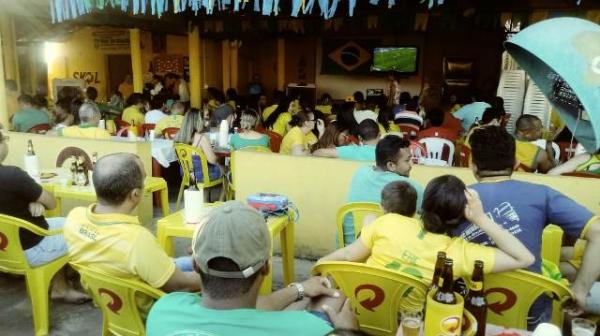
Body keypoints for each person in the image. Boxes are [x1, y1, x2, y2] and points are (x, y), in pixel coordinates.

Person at [452, 126, 600, 328]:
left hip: (463, 311)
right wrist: (581, 290)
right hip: (530, 312)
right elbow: (598, 232)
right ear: (515, 163)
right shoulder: (542, 194)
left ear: (473, 165)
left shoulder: (452, 197)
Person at [320, 177, 534, 311]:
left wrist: (318, 266)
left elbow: (348, 255)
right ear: (460, 217)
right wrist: (481, 218)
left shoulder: (387, 221)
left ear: (423, 204)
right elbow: (524, 258)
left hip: (358, 312)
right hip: (405, 325)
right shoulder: (458, 254)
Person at [146, 201, 358, 336]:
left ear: (195, 266)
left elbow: (240, 313)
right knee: (335, 295)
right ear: (266, 267)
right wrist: (348, 331)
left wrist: (298, 290)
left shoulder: (163, 310)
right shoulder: (315, 330)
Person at [64, 153, 202, 314]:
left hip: (112, 304)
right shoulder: (137, 240)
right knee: (216, 279)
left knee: (185, 262)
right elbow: (178, 284)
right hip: (148, 313)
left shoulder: (74, 217)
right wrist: (219, 279)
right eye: (144, 178)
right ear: (135, 194)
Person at [0, 128, 86, 301]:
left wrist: (32, 200)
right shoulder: (13, 176)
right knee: (84, 230)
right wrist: (36, 199)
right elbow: (52, 202)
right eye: (4, 139)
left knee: (67, 222)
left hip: (5, 248)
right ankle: (85, 282)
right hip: (32, 249)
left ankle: (61, 284)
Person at [341, 135, 424, 244]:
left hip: (346, 248)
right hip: (385, 254)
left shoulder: (360, 172)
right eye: (407, 160)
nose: (411, 164)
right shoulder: (411, 187)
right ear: (391, 165)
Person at [174, 109, 222, 182]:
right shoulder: (201, 138)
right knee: (225, 169)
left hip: (185, 174)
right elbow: (212, 161)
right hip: (201, 176)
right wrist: (218, 157)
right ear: (198, 121)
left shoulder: (178, 136)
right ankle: (220, 193)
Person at [313, 119, 379, 161]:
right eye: (345, 136)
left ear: (360, 138)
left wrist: (321, 132)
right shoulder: (387, 151)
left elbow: (316, 152)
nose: (348, 138)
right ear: (379, 134)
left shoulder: (352, 151)